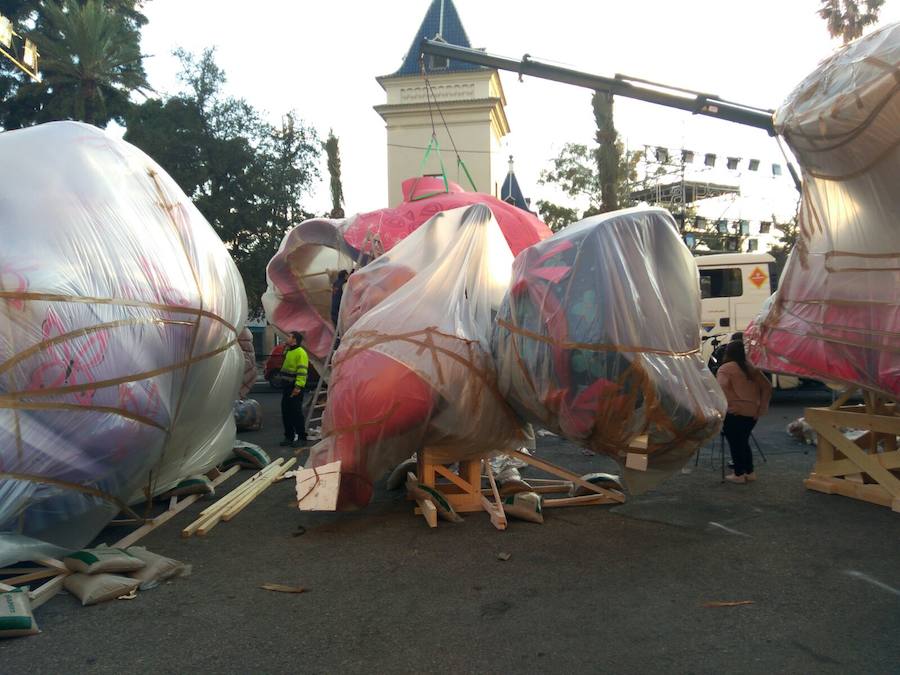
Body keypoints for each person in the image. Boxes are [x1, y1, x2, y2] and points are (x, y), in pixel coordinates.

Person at [716, 340, 772, 483]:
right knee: (743, 441)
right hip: (752, 412)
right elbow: (767, 387)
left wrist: (729, 406)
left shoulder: (725, 368)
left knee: (735, 443)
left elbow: (720, 389)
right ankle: (749, 471)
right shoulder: (751, 368)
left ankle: (739, 474)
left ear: (728, 352)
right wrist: (762, 407)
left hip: (734, 412)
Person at [279, 331, 309, 448]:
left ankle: (301, 437)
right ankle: (289, 437)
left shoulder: (301, 353)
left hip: (294, 388)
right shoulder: (289, 351)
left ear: (295, 339)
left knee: (296, 413)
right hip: (287, 387)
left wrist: (298, 387)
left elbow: (302, 371)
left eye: (289, 336)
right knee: (286, 413)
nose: (287, 338)